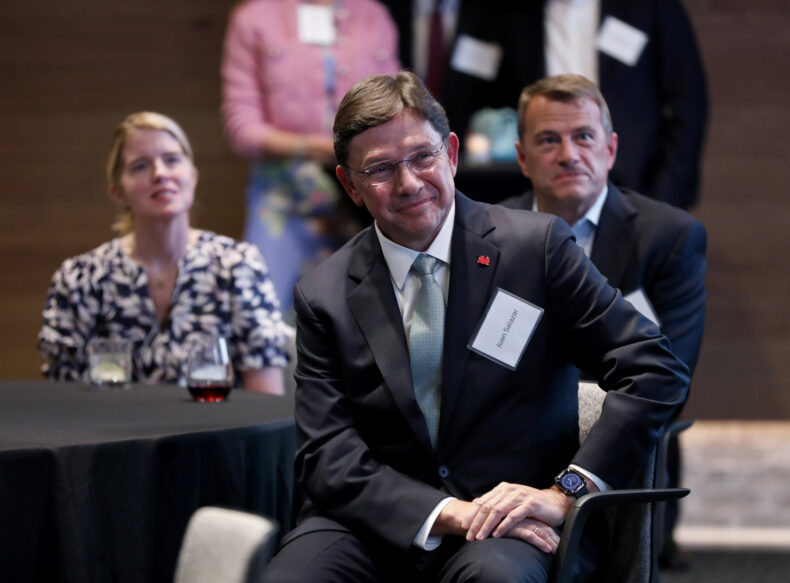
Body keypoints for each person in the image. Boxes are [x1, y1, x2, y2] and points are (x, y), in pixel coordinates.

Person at [262, 70, 690, 582]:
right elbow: (325, 454)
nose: (409, 183)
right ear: (350, 185)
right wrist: (447, 514)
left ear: (452, 154)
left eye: (423, 156)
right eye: (380, 169)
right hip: (372, 523)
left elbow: (654, 369)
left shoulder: (537, 250)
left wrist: (568, 490)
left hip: (511, 520)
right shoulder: (323, 294)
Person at [500, 73, 707, 569]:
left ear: (610, 149)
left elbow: (669, 370)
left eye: (584, 137)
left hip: (625, 445)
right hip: (510, 442)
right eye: (549, 140)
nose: (569, 154)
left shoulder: (669, 238)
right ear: (523, 158)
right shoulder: (489, 233)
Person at [37, 112, 290, 395]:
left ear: (192, 178)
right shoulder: (80, 279)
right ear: (118, 192)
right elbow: (65, 404)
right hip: (115, 437)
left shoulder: (238, 266)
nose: (160, 173)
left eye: (171, 159)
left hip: (215, 435)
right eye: (140, 166)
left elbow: (266, 402)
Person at [220, 0, 401, 317]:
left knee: (370, 320)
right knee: (262, 318)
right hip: (284, 200)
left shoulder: (374, 15)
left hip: (363, 199)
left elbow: (396, 104)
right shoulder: (254, 18)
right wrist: (320, 147)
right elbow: (242, 128)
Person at [495, 0, 709, 208]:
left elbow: (688, 104)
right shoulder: (515, 13)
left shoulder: (648, 6)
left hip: (639, 184)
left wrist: (664, 196)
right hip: (545, 195)